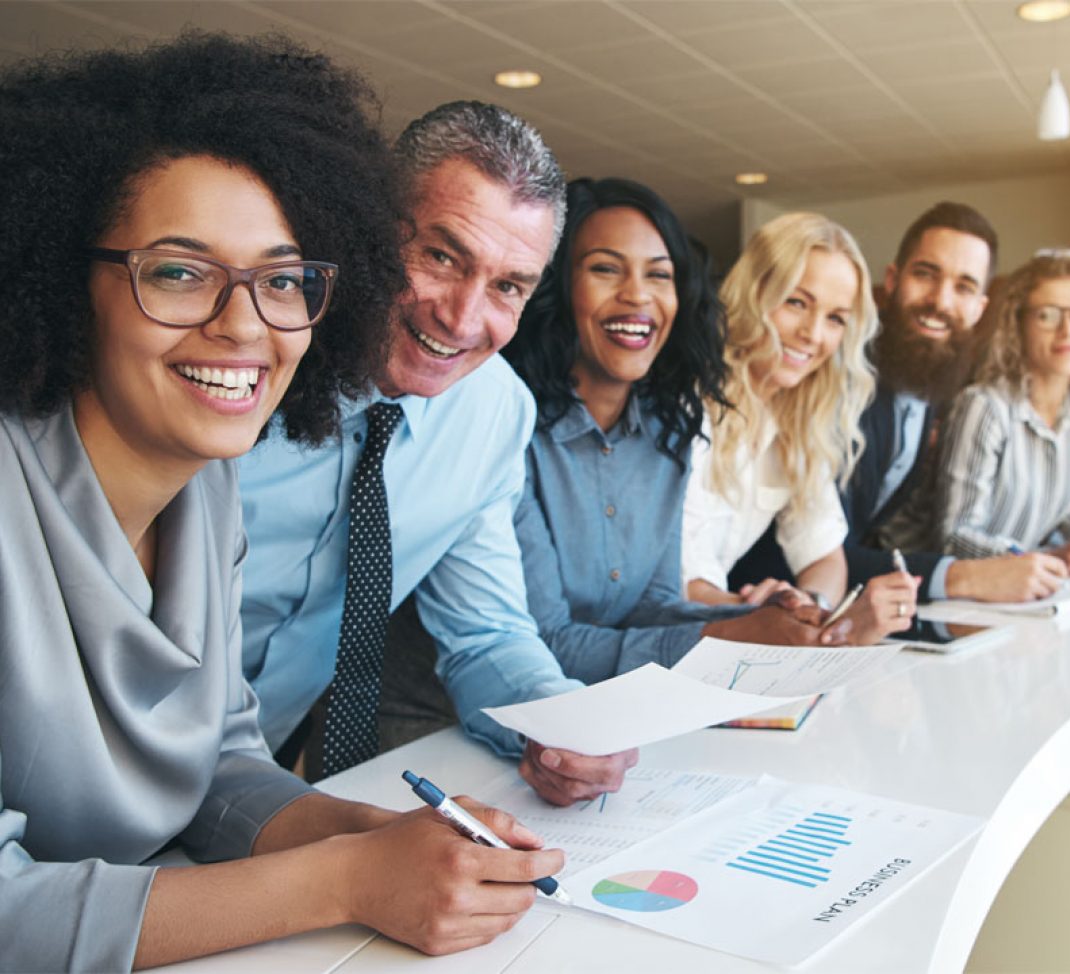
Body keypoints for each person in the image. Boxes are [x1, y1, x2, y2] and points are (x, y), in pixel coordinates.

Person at [0, 35, 560, 970]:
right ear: (63, 275)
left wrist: (370, 837)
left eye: (281, 280)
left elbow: (216, 762)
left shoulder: (202, 485)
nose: (243, 325)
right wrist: (342, 879)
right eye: (178, 271)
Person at [238, 101, 636, 802]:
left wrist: (556, 720)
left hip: (245, 786)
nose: (461, 318)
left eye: (508, 286)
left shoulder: (494, 412)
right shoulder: (240, 364)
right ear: (371, 226)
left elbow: (485, 634)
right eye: (442, 257)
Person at [499, 177, 835, 685]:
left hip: (596, 713)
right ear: (558, 285)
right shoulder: (513, 432)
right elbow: (545, 641)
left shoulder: (667, 433)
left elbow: (650, 604)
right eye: (606, 269)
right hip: (458, 726)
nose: (637, 295)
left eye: (659, 275)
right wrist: (725, 637)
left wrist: (770, 621)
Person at [732, 202, 1068, 604]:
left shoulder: (930, 384)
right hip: (748, 599)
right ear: (892, 279)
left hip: (818, 606)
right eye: (926, 275)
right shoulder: (827, 378)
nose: (940, 301)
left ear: (980, 308)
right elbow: (814, 549)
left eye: (963, 287)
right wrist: (962, 577)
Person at [682, 212, 915, 639]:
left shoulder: (796, 421)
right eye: (797, 302)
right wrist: (773, 610)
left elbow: (826, 559)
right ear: (754, 293)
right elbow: (677, 584)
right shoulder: (686, 405)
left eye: (835, 318)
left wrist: (814, 604)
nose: (812, 333)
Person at [889, 249, 1070, 575]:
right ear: (1018, 323)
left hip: (1028, 591)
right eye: (1048, 315)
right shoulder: (984, 406)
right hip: (950, 595)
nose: (1068, 331)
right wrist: (1036, 558)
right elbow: (955, 536)